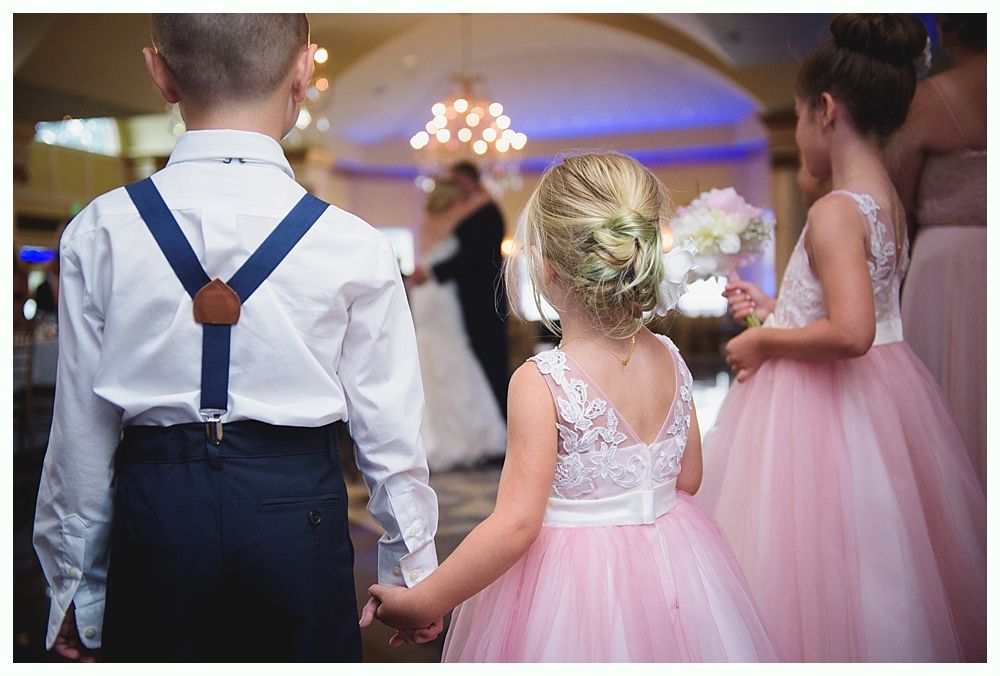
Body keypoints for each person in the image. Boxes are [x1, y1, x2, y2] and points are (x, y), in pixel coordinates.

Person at [32, 14, 441, 662]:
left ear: (159, 73)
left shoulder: (99, 230)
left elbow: (80, 433)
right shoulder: (354, 244)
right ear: (304, 71)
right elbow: (390, 434)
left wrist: (72, 589)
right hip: (298, 511)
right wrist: (414, 570)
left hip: (157, 513)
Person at [360, 152, 780, 662]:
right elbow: (687, 479)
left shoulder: (543, 380)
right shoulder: (671, 358)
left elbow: (515, 526)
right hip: (676, 570)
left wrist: (424, 600)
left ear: (543, 266)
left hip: (571, 590)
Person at [697, 14, 986, 662]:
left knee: (811, 555)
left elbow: (852, 332)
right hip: (880, 401)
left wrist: (764, 342)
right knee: (878, 548)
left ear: (824, 110)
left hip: (823, 409)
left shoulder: (832, 209)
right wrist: (780, 308)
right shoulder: (883, 198)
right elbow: (864, 309)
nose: (799, 131)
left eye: (798, 117)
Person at [891, 14, 986, 487]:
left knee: (947, 400)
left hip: (943, 264)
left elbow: (899, 201)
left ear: (946, 33)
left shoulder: (928, 99)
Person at [408, 178, 507, 472]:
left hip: (432, 293)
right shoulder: (457, 217)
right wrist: (480, 194)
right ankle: (466, 438)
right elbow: (468, 253)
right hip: (440, 294)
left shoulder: (430, 221)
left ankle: (446, 438)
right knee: (450, 359)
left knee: (446, 359)